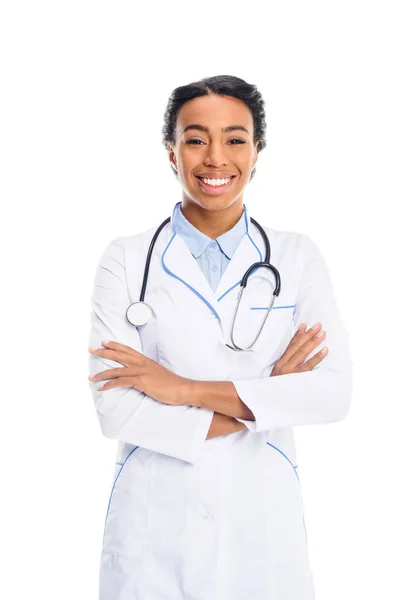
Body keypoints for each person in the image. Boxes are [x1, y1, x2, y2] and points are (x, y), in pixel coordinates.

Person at [87, 74, 353, 600]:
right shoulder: (126, 259)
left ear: (257, 153)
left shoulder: (297, 257)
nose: (215, 158)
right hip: (153, 530)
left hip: (260, 525)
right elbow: (115, 410)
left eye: (235, 139)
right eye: (195, 139)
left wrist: (177, 387)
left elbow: (331, 394)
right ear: (171, 151)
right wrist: (266, 396)